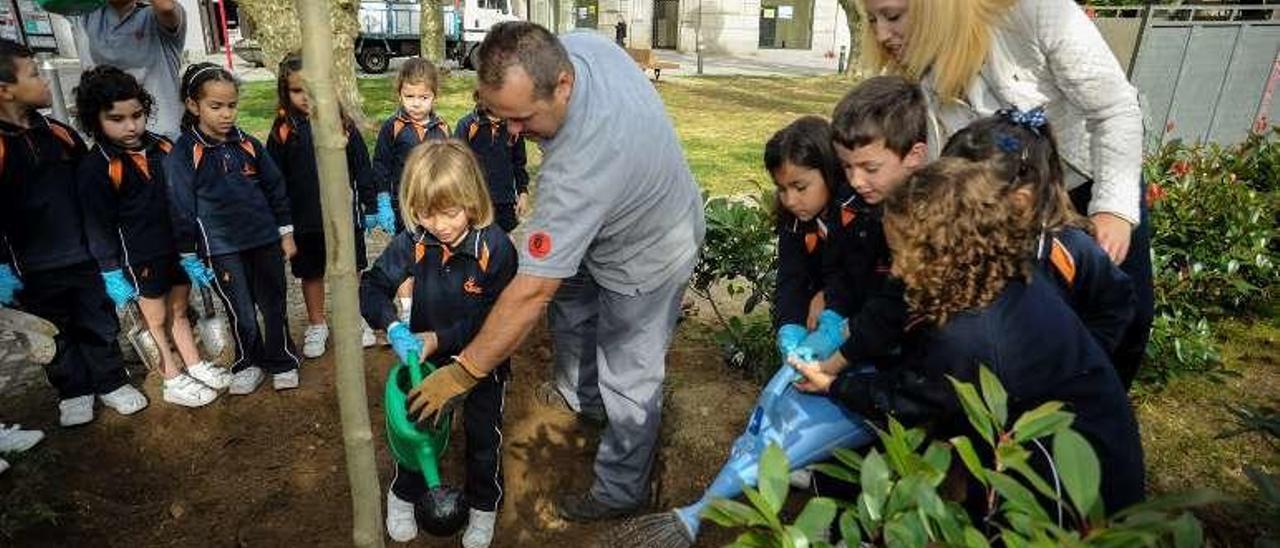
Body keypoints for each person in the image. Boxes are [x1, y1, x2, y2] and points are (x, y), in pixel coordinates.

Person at [406, 22, 705, 521]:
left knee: (629, 374)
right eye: (501, 118)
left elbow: (532, 291)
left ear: (562, 85)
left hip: (651, 252)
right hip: (610, 221)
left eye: (522, 118)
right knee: (571, 293)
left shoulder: (580, 167)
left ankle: (619, 490)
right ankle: (581, 396)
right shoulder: (580, 46)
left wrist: (465, 370)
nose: (514, 132)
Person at [794, 157, 1146, 517]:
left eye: (902, 254)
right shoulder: (1003, 274)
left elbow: (909, 398)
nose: (897, 269)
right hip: (1101, 443)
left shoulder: (967, 337)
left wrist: (833, 385)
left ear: (943, 252)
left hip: (1069, 491)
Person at [858, 0, 1153, 387]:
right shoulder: (920, 68)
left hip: (1090, 194)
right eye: (871, 20)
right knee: (1024, 338)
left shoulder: (1037, 11)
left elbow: (1114, 108)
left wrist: (1113, 209)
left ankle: (1097, 416)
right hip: (1005, 219)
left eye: (893, 16)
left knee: (1121, 317)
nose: (881, 34)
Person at [360, 141, 517, 546]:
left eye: (450, 212)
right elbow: (372, 287)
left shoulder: (495, 249)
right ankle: (403, 494)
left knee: (483, 436)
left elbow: (494, 320)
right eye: (427, 213)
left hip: (483, 360)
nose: (440, 224)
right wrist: (393, 326)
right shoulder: (415, 241)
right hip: (424, 364)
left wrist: (439, 338)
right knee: (416, 428)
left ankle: (483, 506)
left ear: (473, 199)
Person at [0, 39, 149, 426]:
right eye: (33, 74)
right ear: (5, 90)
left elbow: (92, 186)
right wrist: (3, 269)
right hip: (32, 268)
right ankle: (73, 391)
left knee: (99, 323)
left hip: (84, 256)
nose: (45, 80)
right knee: (55, 334)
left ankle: (111, 382)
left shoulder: (60, 134)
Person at [75, 65, 229, 408]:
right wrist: (110, 270)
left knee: (178, 307)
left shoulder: (163, 146)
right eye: (117, 119)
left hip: (177, 248)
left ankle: (194, 362)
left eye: (137, 115)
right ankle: (172, 378)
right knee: (154, 319)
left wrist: (195, 245)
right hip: (139, 257)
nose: (130, 126)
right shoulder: (97, 166)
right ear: (94, 120)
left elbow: (184, 195)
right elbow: (96, 224)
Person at [942, 109, 1136, 361]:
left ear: (1022, 198)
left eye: (965, 196)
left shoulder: (1070, 250)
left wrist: (1086, 353)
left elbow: (1116, 302)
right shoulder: (962, 233)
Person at [164, 63, 300, 395]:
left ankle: (282, 359)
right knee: (240, 310)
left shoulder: (249, 144)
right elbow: (180, 206)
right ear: (193, 105)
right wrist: (187, 253)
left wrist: (285, 232)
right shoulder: (184, 152)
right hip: (221, 250)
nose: (226, 114)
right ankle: (247, 362)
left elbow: (275, 188)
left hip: (265, 241)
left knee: (273, 302)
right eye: (216, 106)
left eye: (231, 105)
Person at [793, 76, 924, 380]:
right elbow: (841, 265)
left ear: (914, 156)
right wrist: (833, 307)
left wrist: (838, 358)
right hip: (862, 339)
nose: (855, 181)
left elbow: (895, 305)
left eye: (870, 168)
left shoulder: (925, 223)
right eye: (847, 166)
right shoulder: (852, 199)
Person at [268, 53, 378, 357]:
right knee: (311, 273)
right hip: (304, 221)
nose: (306, 97)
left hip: (343, 217)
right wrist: (281, 222)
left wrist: (370, 204)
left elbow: (362, 166)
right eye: (297, 90)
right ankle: (318, 324)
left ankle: (355, 319)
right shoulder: (283, 129)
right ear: (285, 91)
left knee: (351, 269)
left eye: (313, 89)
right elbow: (273, 179)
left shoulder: (342, 124)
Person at [372, 58, 451, 323]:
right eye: (409, 96)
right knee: (405, 256)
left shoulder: (442, 129)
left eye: (423, 97)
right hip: (401, 206)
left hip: (435, 205)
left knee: (432, 254)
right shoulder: (392, 127)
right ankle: (407, 308)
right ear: (399, 94)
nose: (416, 103)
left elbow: (449, 166)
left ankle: (431, 304)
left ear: (434, 96)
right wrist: (382, 199)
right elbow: (380, 165)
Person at [78, 0, 186, 139]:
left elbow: (166, 8)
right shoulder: (88, 15)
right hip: (111, 136)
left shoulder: (153, 14)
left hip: (162, 136)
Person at [454, 90, 529, 232]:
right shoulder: (467, 126)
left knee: (505, 242)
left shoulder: (514, 128)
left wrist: (522, 192)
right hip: (475, 201)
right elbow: (456, 165)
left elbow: (519, 163)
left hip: (505, 201)